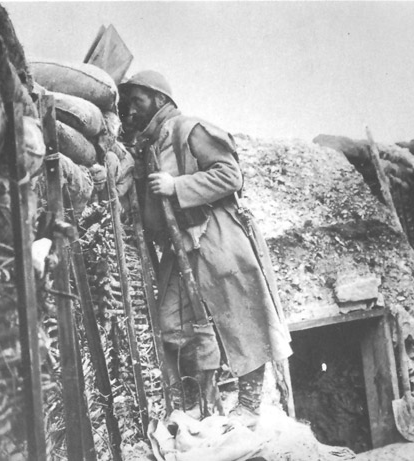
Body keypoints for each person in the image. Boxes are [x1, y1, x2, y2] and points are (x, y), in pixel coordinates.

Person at [118, 70, 292, 427]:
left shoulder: (189, 128)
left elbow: (230, 175)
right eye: (128, 103)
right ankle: (200, 399)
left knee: (241, 315)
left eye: (138, 101)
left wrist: (177, 185)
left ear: (160, 100)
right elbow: (154, 215)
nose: (130, 110)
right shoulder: (147, 146)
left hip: (217, 235)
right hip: (180, 246)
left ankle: (248, 405)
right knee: (172, 322)